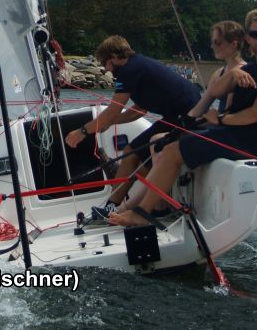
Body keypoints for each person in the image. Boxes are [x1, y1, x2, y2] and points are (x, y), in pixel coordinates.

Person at [109, 8, 257, 227]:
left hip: (248, 141)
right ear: (247, 38)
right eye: (255, 34)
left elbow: (256, 114)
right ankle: (141, 207)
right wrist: (233, 74)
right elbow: (216, 92)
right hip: (232, 133)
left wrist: (221, 120)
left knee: (173, 151)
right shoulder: (249, 69)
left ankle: (142, 212)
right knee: (166, 142)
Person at [64, 35, 200, 214]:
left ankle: (146, 205)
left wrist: (82, 131)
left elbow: (113, 110)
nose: (106, 69)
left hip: (188, 118)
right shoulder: (137, 65)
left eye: (105, 63)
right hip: (179, 116)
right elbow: (138, 111)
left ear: (113, 57)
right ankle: (114, 205)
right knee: (131, 152)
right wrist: (107, 122)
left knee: (133, 155)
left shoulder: (129, 70)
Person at [187, 20, 247, 119]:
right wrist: (183, 122)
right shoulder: (219, 73)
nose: (212, 46)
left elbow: (228, 113)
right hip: (217, 124)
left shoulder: (243, 72)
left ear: (233, 44)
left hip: (227, 128)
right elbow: (200, 108)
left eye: (217, 42)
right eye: (212, 42)